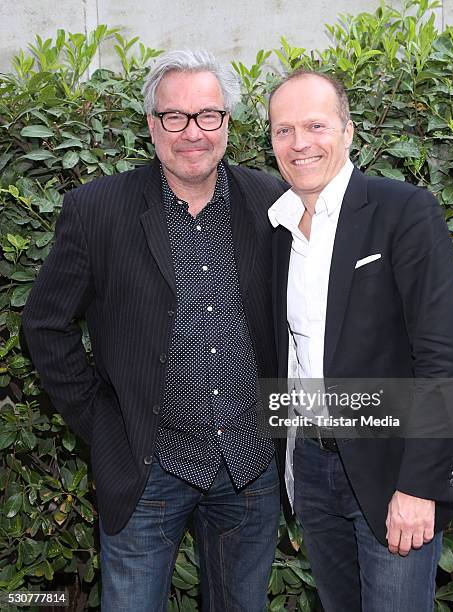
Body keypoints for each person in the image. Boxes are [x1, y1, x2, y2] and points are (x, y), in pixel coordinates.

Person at [22, 50, 287, 612]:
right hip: (147, 468)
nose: (192, 132)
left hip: (249, 464)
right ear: (151, 125)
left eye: (208, 115)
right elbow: (45, 323)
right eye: (175, 117)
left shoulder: (271, 204)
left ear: (227, 124)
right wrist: (101, 419)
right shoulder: (97, 209)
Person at [267, 70, 453, 612]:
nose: (299, 143)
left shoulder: (402, 211)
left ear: (348, 131)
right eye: (283, 129)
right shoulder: (276, 228)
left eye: (315, 125)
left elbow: (441, 355)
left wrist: (419, 485)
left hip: (392, 471)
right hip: (310, 469)